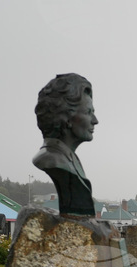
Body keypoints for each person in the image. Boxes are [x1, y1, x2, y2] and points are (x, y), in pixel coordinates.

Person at [33, 73, 98, 218]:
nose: (95, 120)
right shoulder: (52, 160)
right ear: (67, 118)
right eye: (88, 113)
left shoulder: (69, 159)